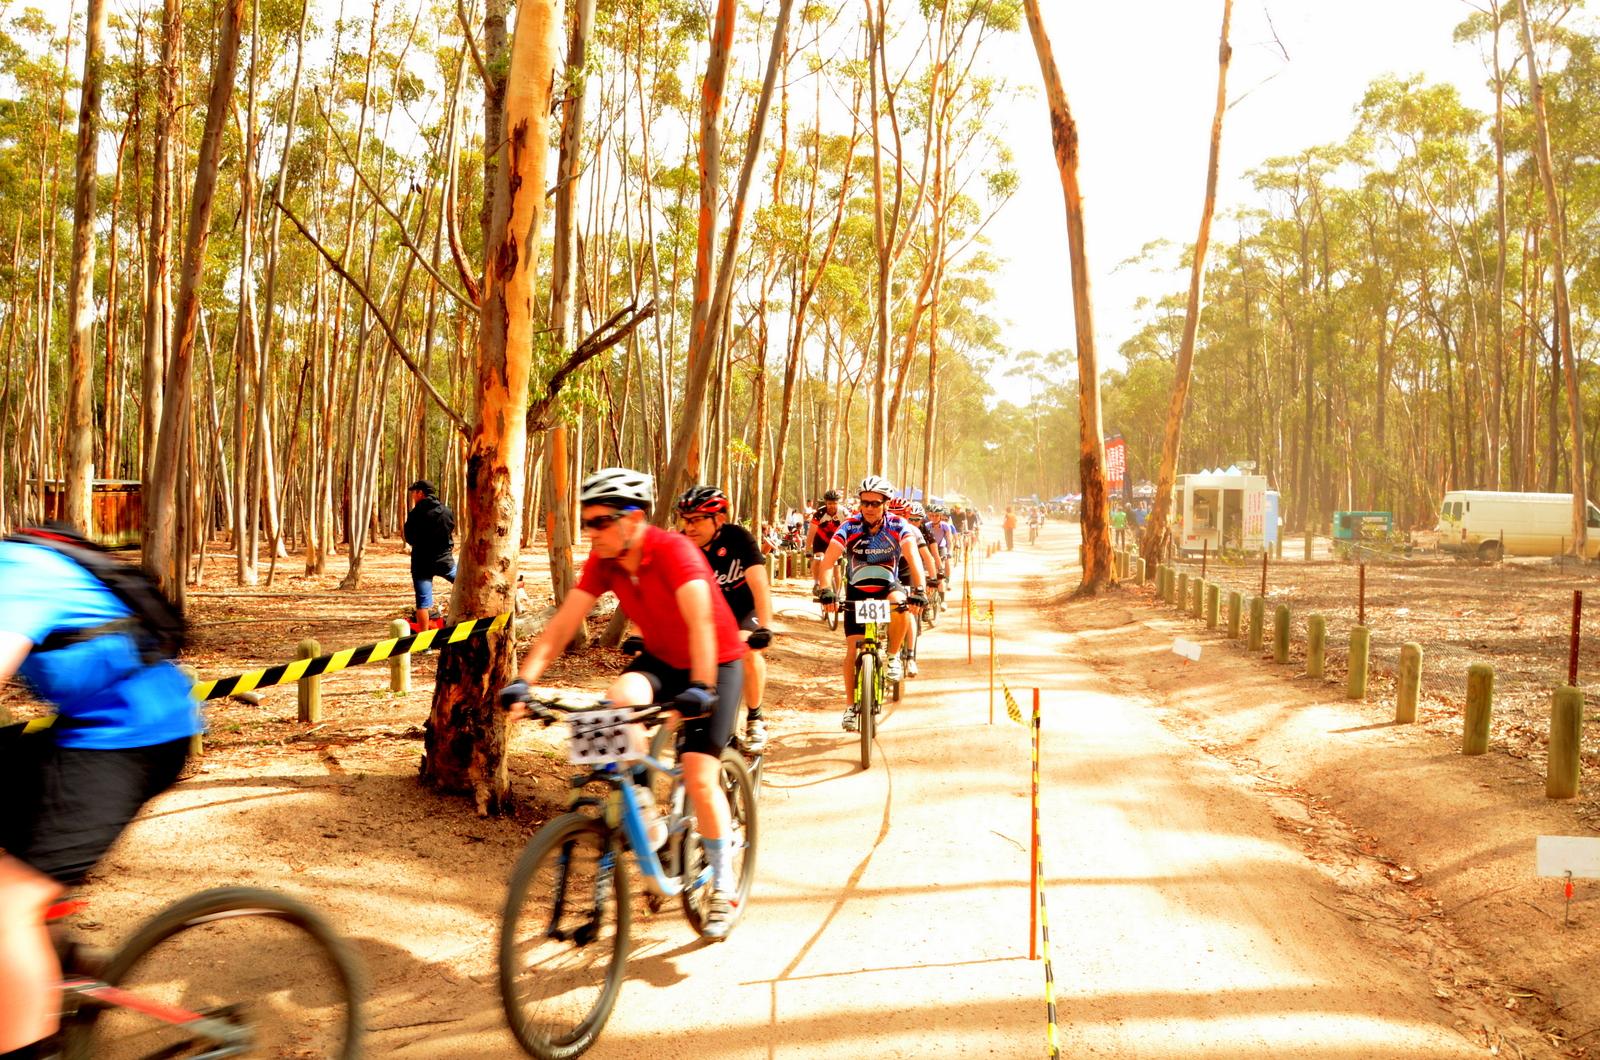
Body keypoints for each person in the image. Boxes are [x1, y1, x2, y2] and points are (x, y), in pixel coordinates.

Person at [501, 468, 748, 940]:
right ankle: (644, 810)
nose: (589, 530)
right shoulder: (605, 559)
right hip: (660, 658)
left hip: (714, 660)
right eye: (586, 520)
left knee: (697, 772)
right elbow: (563, 624)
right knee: (614, 705)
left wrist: (700, 686)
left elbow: (699, 621)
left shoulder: (674, 551)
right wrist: (523, 681)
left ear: (633, 519)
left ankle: (724, 883)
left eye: (598, 521)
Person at [0, 526, 202, 1059]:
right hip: (82, 729)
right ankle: (55, 959)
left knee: (8, 906)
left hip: (136, 738)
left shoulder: (18, 572)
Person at [812, 476, 925, 732]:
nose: (869, 508)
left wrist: (919, 588)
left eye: (875, 503)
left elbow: (912, 556)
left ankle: (894, 656)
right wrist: (827, 590)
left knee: (901, 603)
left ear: (885, 503)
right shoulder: (849, 526)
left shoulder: (898, 525)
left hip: (887, 586)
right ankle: (851, 707)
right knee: (853, 651)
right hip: (857, 591)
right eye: (865, 503)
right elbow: (828, 562)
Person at [676, 485, 774, 753]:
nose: (690, 527)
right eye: (686, 520)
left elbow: (759, 584)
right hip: (706, 616)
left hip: (743, 612)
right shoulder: (681, 544)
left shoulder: (738, 539)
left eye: (697, 520)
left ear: (719, 519)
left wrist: (765, 627)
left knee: (748, 652)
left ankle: (755, 717)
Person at [404, 480, 456, 632]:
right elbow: (450, 529)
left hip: (421, 563)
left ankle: (424, 643)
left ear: (421, 493)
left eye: (414, 492)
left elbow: (410, 538)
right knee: (465, 584)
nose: (413, 496)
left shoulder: (415, 514)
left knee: (423, 603)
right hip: (444, 561)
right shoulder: (446, 511)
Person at [808, 490, 846, 587]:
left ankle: (837, 595)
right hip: (820, 540)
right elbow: (811, 532)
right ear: (826, 503)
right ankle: (816, 583)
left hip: (836, 541)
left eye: (835, 503)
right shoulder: (819, 513)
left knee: (837, 568)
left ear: (838, 503)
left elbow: (850, 530)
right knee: (818, 559)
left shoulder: (844, 512)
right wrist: (808, 548)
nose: (832, 506)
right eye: (829, 503)